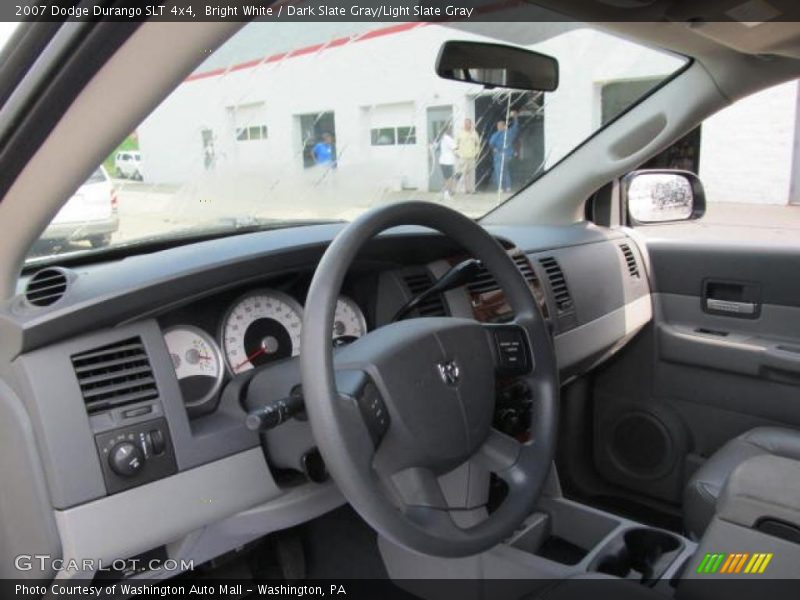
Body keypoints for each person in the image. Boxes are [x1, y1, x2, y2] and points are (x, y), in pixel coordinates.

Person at [489, 110, 519, 193]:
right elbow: (515, 127)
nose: (498, 127)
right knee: (506, 171)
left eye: (499, 126)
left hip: (500, 155)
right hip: (508, 155)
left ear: (502, 126)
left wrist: (494, 149)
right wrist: (515, 118)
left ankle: (500, 188)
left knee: (499, 172)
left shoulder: (497, 134)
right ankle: (508, 187)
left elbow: (491, 143)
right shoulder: (509, 132)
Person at [455, 118, 481, 194]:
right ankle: (461, 190)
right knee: (461, 173)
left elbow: (478, 144)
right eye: (465, 123)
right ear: (464, 124)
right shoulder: (460, 133)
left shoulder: (474, 133)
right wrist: (457, 153)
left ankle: (471, 189)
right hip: (462, 157)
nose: (467, 125)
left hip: (471, 157)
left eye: (468, 123)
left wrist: (476, 153)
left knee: (471, 174)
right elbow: (455, 144)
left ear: (471, 124)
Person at [437, 126, 457, 200]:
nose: (451, 131)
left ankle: (446, 193)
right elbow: (455, 148)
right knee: (449, 178)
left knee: (446, 178)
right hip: (448, 161)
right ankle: (446, 193)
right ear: (447, 131)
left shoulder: (442, 139)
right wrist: (459, 155)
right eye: (450, 129)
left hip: (442, 161)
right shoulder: (448, 138)